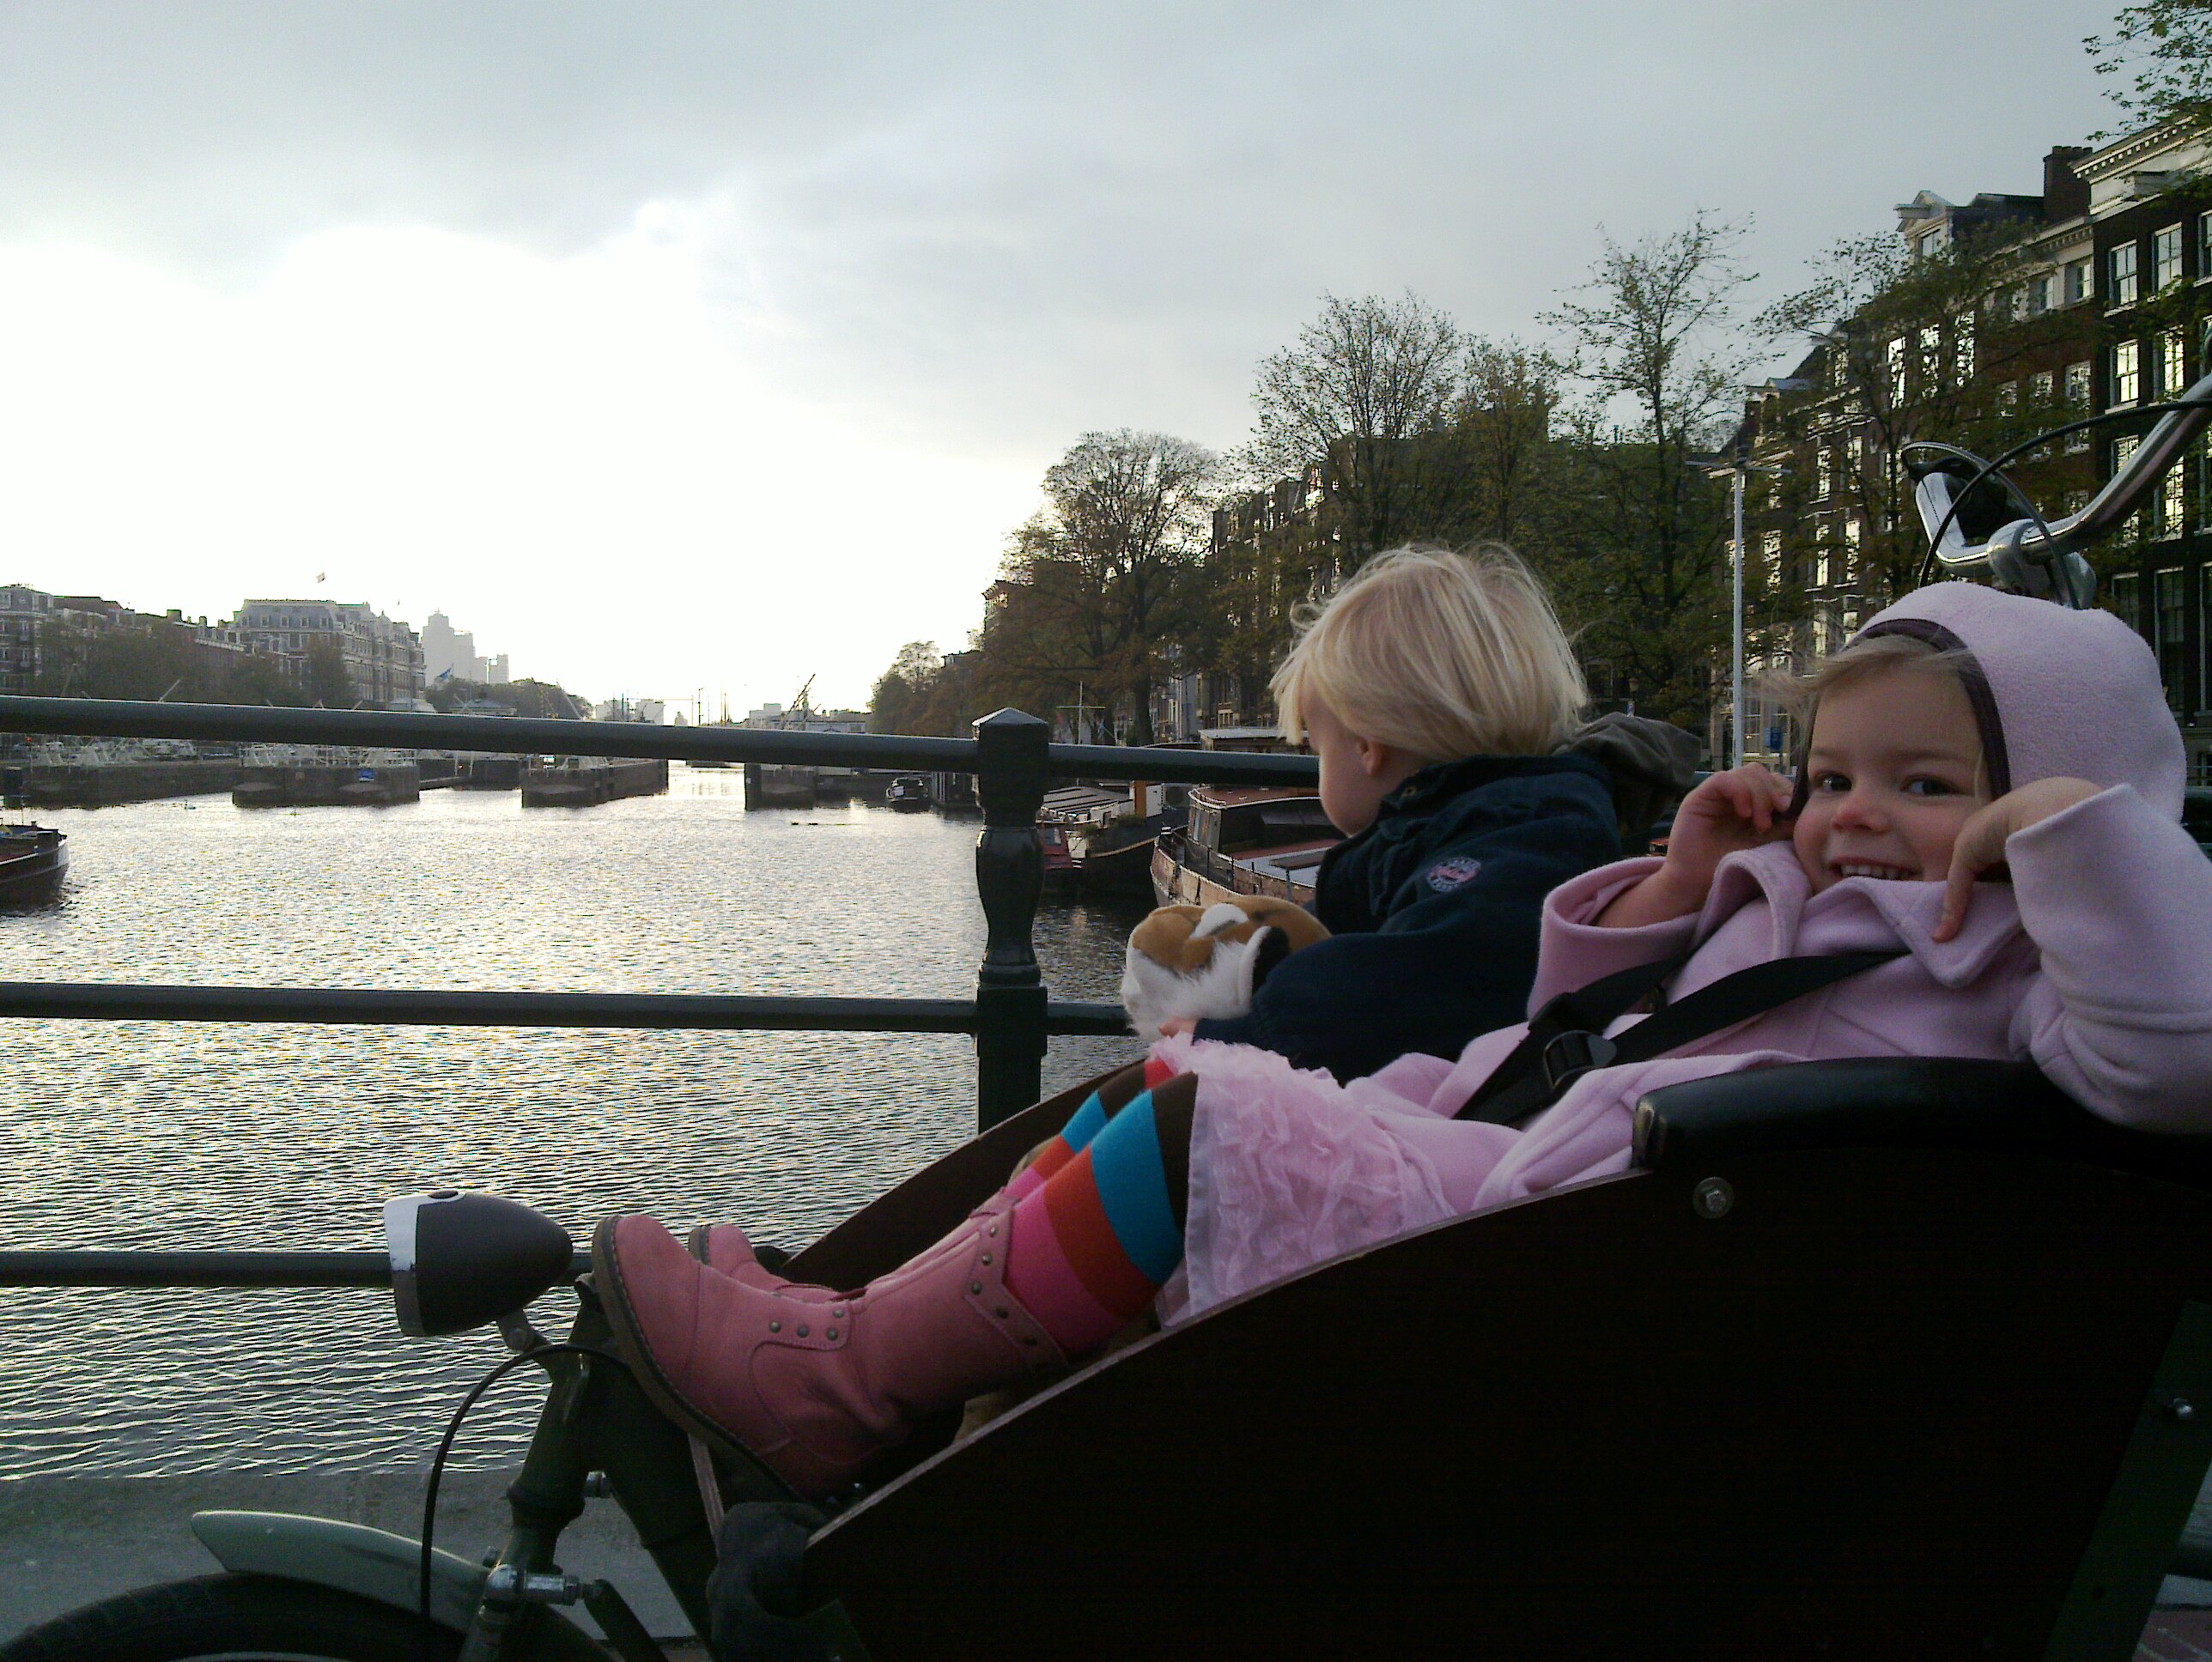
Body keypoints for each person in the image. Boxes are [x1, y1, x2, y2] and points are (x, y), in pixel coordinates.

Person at [590, 579, 2212, 1504]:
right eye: (1834, 775)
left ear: (2055, 805)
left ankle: (846, 1387)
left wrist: (2076, 838)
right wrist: (1681, 884)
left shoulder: (2029, 966)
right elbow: (1578, 1012)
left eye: (1926, 787)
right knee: (1174, 1080)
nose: (1853, 816)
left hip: (1609, 1257)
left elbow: (2176, 1052)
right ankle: (859, 1333)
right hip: (1577, 1191)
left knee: (1207, 1123)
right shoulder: (1805, 905)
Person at [1148, 543, 1693, 1082]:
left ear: (1367, 746)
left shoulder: (1511, 846)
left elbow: (1398, 989)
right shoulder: (1470, 834)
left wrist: (1240, 1040)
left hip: (1441, 1121)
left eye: (1317, 748)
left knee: (1149, 1113)